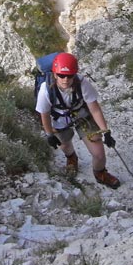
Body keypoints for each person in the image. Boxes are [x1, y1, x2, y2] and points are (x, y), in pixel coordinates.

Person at [35, 52, 121, 189]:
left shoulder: (82, 83)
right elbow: (44, 114)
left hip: (82, 117)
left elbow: (94, 109)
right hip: (60, 119)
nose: (65, 79)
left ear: (74, 74)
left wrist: (106, 131)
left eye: (69, 75)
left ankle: (100, 173)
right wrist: (49, 134)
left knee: (99, 154)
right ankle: (71, 158)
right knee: (64, 144)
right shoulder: (46, 90)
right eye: (61, 75)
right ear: (55, 74)